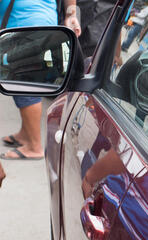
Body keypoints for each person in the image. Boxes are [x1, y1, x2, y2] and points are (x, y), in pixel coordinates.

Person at [0, 0, 80, 161]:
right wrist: (71, 13)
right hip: (36, 23)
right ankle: (25, 134)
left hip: (25, 25)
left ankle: (34, 146)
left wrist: (71, 14)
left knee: (23, 84)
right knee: (23, 78)